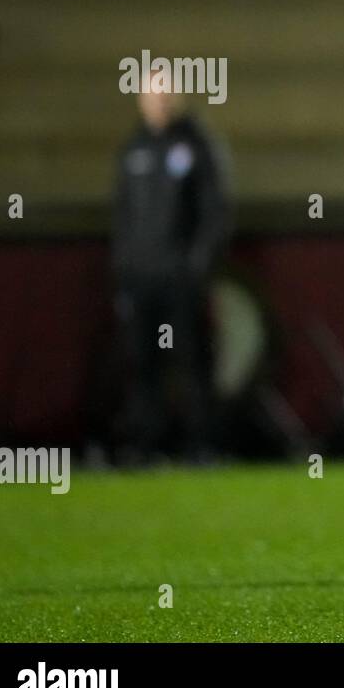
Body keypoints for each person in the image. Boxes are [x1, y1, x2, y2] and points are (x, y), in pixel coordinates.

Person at [110, 68, 230, 465]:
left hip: (180, 277)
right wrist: (124, 269)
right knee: (144, 361)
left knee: (191, 359)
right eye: (154, 95)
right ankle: (146, 445)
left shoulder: (195, 145)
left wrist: (197, 263)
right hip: (141, 277)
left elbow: (214, 209)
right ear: (142, 100)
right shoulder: (133, 149)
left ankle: (201, 445)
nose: (160, 102)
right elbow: (123, 215)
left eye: (166, 95)